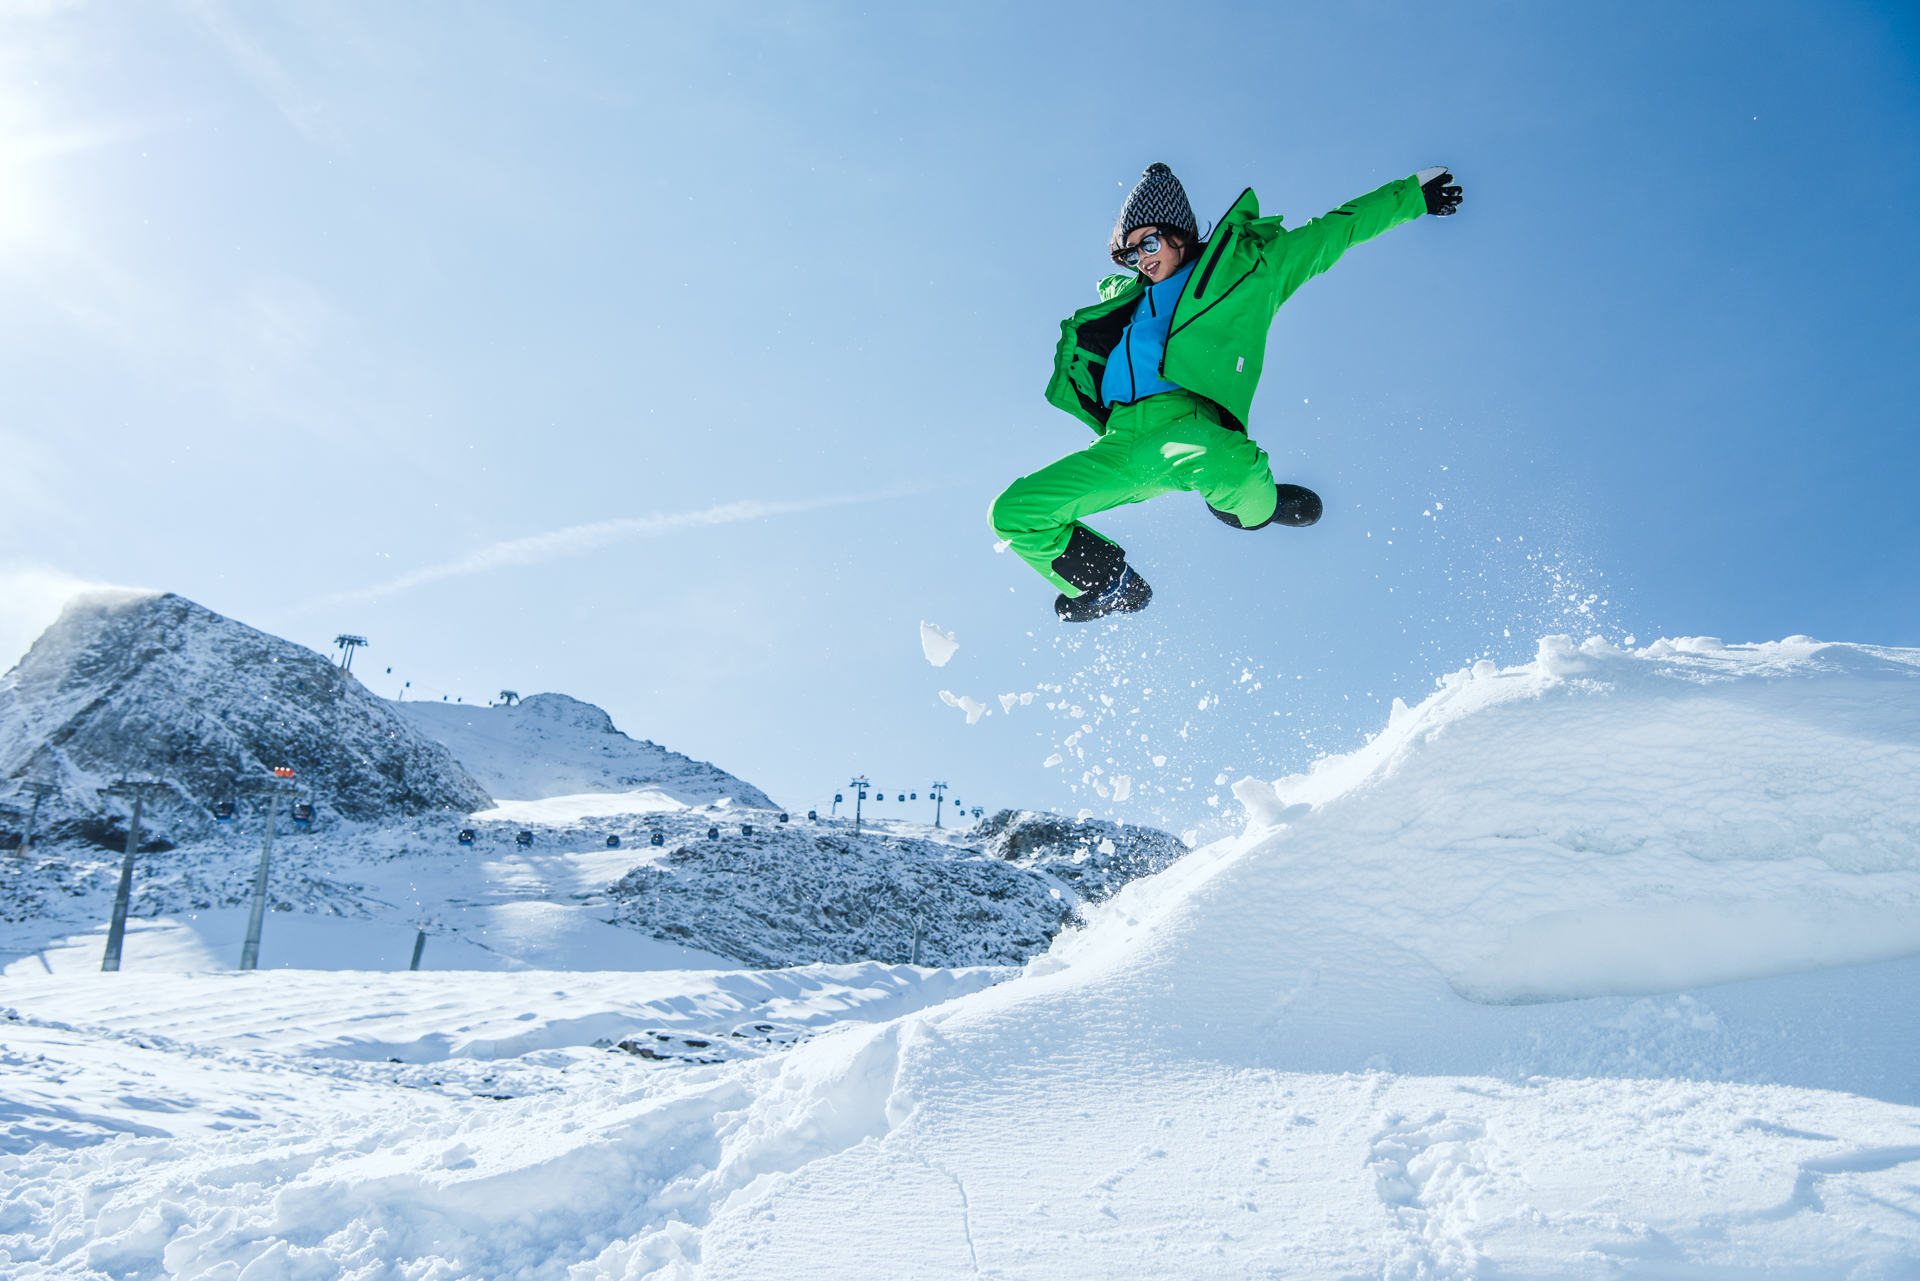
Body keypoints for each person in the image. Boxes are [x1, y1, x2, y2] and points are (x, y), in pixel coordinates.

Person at [990, 161, 1464, 622]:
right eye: (1132, 251)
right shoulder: (1129, 296)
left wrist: (1413, 195)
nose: (1144, 258)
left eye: (1149, 242)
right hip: (1117, 444)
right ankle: (1111, 587)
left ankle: (1260, 506)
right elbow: (1111, 286)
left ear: (1179, 234)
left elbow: (1330, 233)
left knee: (1232, 463)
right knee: (1014, 513)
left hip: (1186, 433)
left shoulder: (1246, 274)